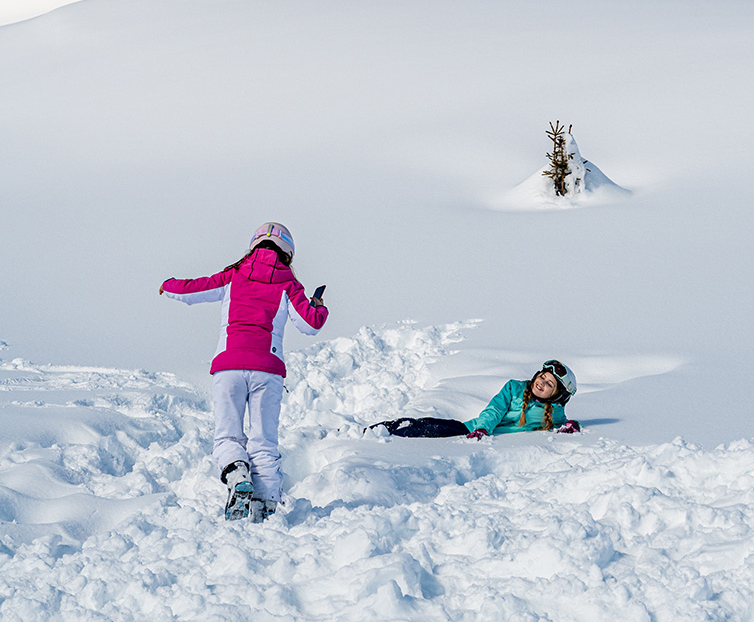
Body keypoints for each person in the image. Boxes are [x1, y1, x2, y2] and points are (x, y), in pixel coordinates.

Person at [159, 222, 328, 521]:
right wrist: (318, 305)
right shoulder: (290, 285)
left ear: (254, 246)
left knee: (228, 438)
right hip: (267, 371)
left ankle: (237, 475)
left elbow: (193, 290)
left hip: (229, 367)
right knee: (263, 441)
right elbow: (310, 324)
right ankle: (266, 507)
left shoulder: (234, 275)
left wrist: (169, 285)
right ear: (288, 253)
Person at [370, 360, 580, 438]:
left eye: (550, 385)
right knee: (423, 427)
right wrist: (483, 429)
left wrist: (571, 425)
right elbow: (495, 410)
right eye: (542, 377)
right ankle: (381, 429)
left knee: (424, 433)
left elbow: (563, 422)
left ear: (558, 395)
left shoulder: (553, 412)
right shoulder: (515, 388)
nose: (541, 383)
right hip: (471, 429)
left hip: (479, 434)